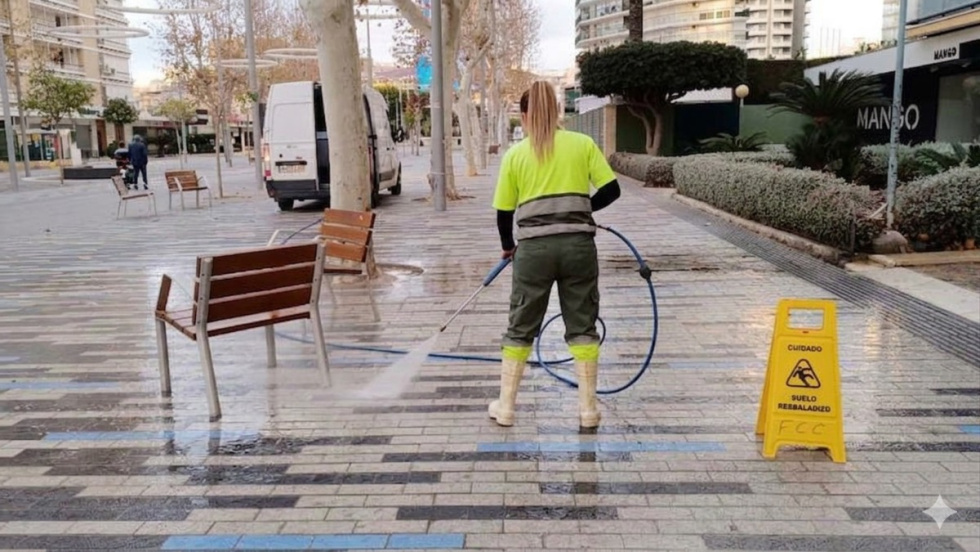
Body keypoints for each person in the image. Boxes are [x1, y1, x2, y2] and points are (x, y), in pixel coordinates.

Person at [489, 81, 622, 429]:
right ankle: (588, 411)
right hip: (579, 248)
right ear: (558, 111)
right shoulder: (582, 144)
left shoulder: (516, 155)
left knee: (521, 326)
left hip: (533, 252)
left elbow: (504, 213)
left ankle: (505, 407)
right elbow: (613, 189)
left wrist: (508, 247)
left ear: (524, 115)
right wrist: (583, 211)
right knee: (582, 323)